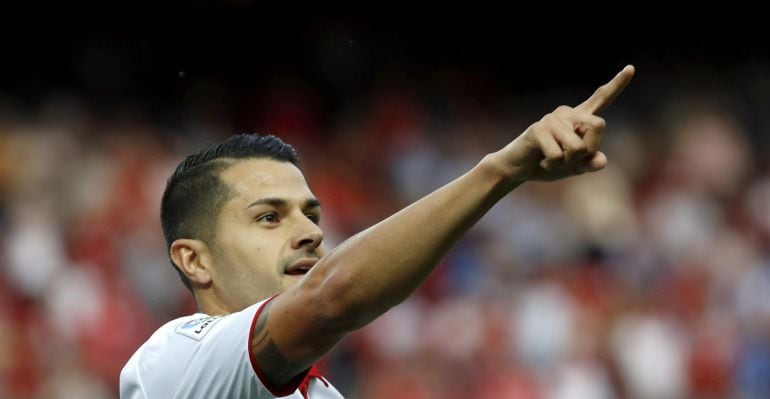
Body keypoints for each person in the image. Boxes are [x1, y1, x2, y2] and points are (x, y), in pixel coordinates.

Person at [119, 65, 635, 398]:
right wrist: (501, 172)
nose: (309, 234)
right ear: (194, 260)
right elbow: (332, 297)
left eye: (312, 215)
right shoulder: (175, 364)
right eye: (269, 217)